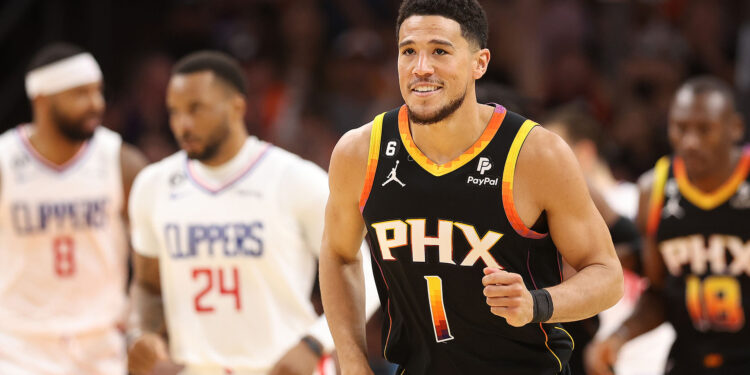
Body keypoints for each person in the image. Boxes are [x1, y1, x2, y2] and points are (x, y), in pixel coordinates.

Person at [318, 1, 624, 374]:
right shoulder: (360, 152)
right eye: (408, 51)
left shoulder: (536, 154)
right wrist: (352, 362)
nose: (421, 68)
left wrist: (536, 303)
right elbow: (338, 254)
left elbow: (607, 275)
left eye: (440, 51)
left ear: (479, 62)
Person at [126, 51, 379, 375]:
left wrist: (314, 343)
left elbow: (366, 277)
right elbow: (147, 286)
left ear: (236, 106)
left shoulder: (294, 178)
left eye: (195, 108)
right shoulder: (153, 185)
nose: (182, 124)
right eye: (174, 112)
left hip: (282, 366)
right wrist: (141, 334)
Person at [586, 77, 750, 375]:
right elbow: (659, 293)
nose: (689, 140)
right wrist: (619, 337)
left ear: (735, 129)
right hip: (690, 361)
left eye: (703, 129)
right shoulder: (655, 189)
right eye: (680, 127)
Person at [0, 43, 147, 374]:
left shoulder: (121, 161)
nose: (96, 104)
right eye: (80, 93)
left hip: (102, 343)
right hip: (18, 345)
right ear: (42, 99)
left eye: (98, 92)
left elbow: (153, 258)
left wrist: (140, 322)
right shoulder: (5, 163)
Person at [545, 106, 675, 375]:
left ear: (584, 154)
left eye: (553, 152)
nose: (544, 164)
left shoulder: (634, 198)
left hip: (654, 352)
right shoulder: (562, 222)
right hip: (607, 356)